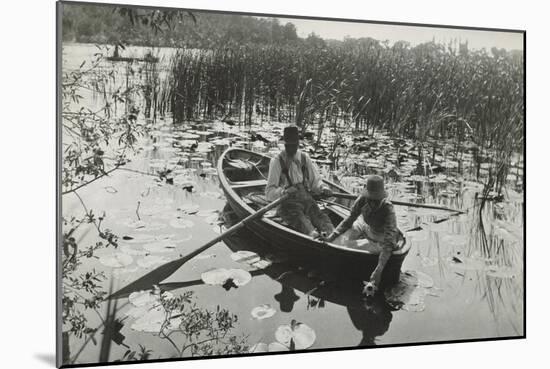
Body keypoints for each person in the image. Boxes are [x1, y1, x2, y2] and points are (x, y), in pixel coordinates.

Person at [324, 175, 403, 291]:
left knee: (348, 246)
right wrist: (332, 236)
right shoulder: (362, 199)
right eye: (370, 198)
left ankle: (358, 250)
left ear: (381, 198)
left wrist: (379, 269)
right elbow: (349, 219)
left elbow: (389, 241)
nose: (371, 202)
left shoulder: (388, 209)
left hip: (380, 238)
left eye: (375, 199)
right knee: (340, 241)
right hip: (365, 227)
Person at [265, 125, 334, 238]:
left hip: (306, 199)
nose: (291, 148)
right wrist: (283, 192)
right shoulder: (277, 161)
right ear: (284, 144)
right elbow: (269, 192)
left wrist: (323, 188)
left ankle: (332, 236)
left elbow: (315, 182)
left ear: (298, 143)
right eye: (288, 145)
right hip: (287, 204)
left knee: (322, 219)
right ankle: (315, 238)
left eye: (294, 145)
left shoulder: (304, 158)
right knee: (304, 225)